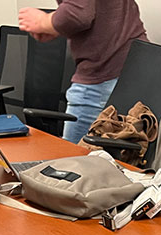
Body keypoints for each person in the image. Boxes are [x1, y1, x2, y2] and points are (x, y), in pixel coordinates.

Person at [17, 0, 147, 143]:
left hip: (103, 73)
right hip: (136, 65)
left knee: (74, 159)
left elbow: (77, 14)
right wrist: (56, 27)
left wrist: (45, 21)